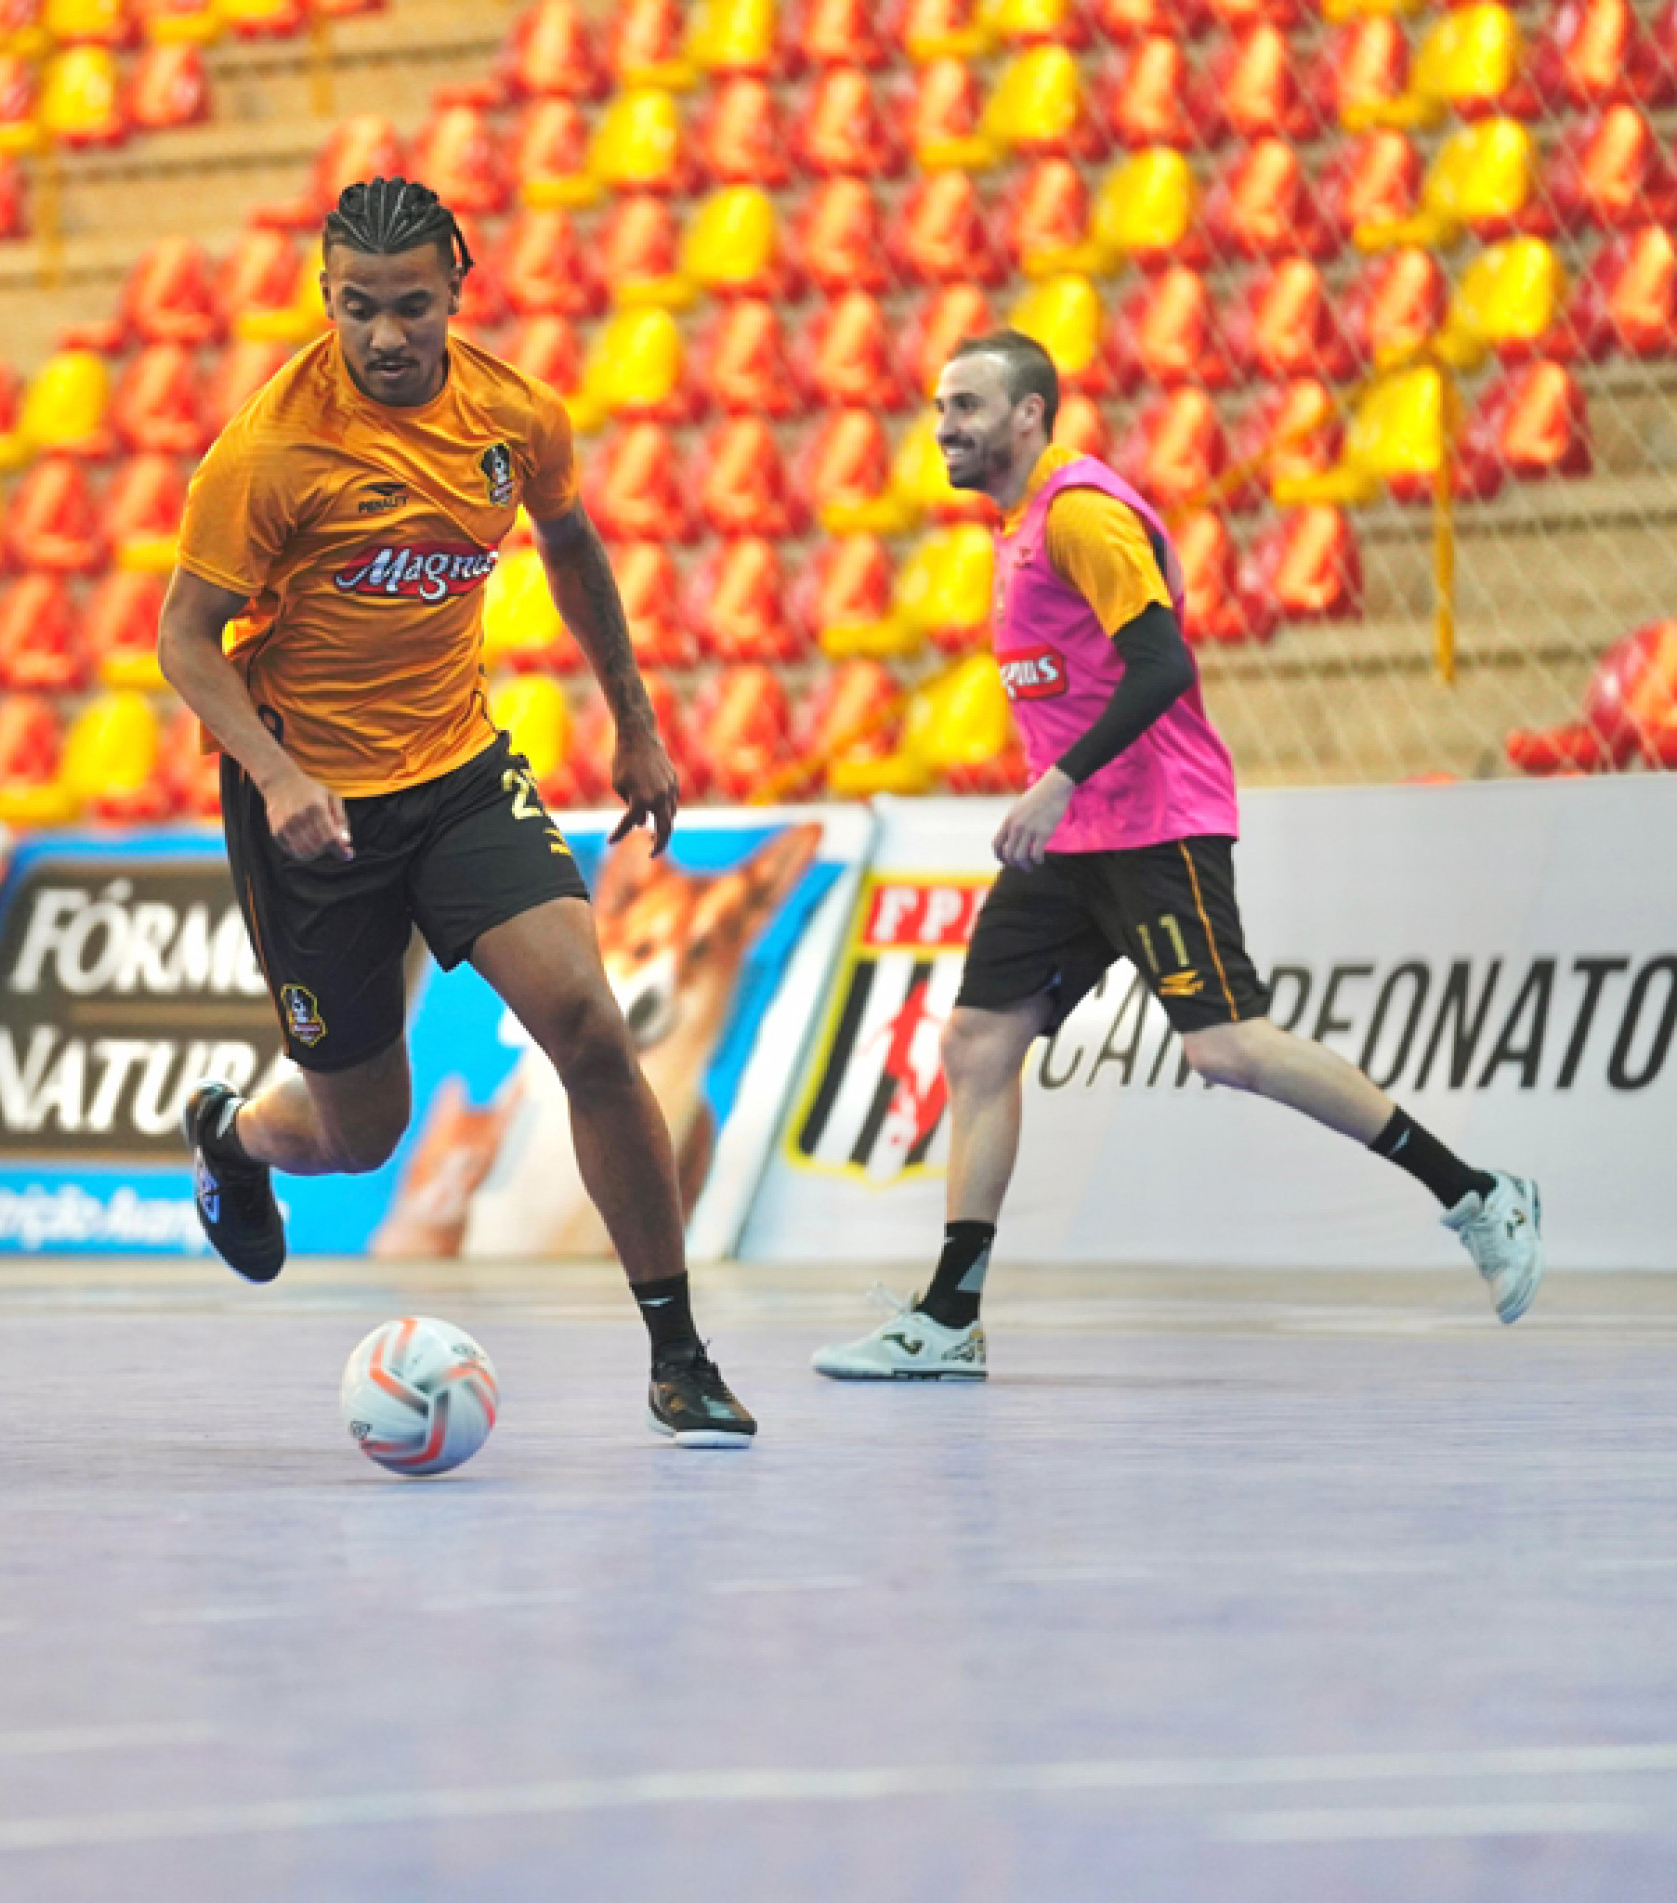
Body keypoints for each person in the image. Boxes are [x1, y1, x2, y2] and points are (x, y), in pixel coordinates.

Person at [811, 331, 1547, 1382]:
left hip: (1154, 821)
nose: (943, 428)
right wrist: (1061, 797)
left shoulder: (1080, 515)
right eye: (938, 408)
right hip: (1071, 840)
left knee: (1226, 1048)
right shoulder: (1019, 527)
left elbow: (1160, 665)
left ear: (1029, 415)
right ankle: (948, 1316)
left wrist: (1059, 777)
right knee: (978, 1041)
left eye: (966, 407)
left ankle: (1477, 1194)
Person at [159, 177, 759, 1448]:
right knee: (360, 1132)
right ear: (325, 297)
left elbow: (573, 547)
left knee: (593, 1030)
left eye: (411, 306)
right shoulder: (265, 454)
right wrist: (276, 775)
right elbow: (185, 644)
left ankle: (679, 1351)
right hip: (311, 808)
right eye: (356, 307)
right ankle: (232, 1137)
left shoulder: (510, 414)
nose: (383, 334)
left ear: (456, 293)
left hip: (457, 773)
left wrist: (636, 724)